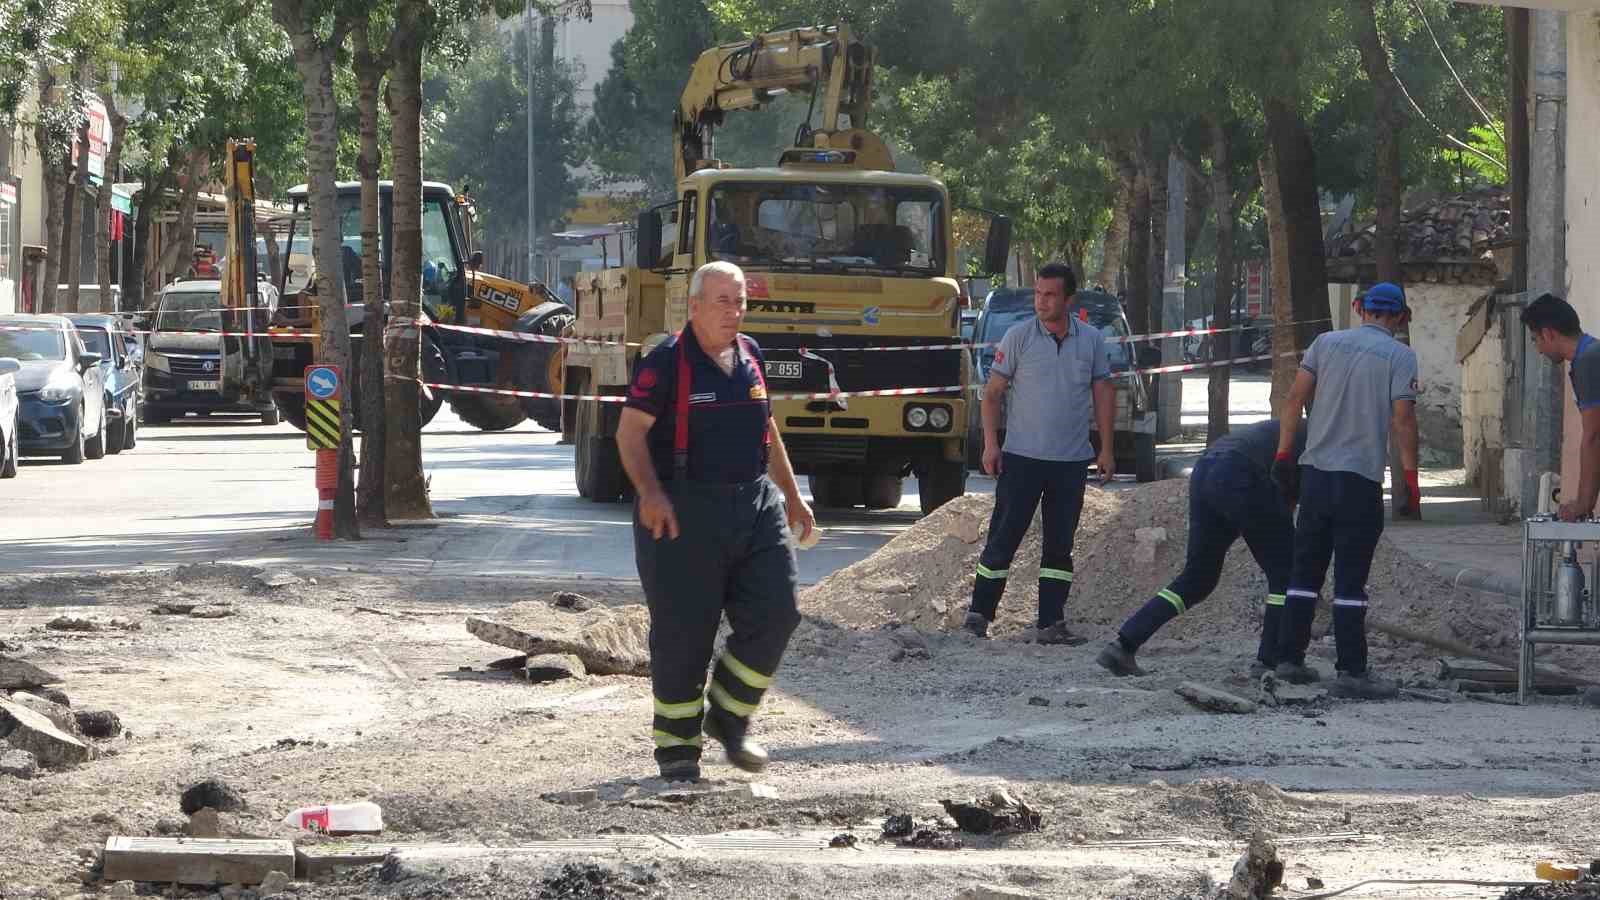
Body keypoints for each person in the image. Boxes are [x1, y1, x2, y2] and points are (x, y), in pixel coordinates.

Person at [615, 260, 816, 783]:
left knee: (780, 611)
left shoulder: (750, 355)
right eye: (724, 301)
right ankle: (678, 751)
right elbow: (629, 434)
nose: (735, 311)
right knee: (684, 635)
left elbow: (766, 429)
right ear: (695, 305)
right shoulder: (664, 363)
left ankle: (728, 715)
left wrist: (793, 498)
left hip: (754, 504)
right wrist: (651, 493)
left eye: (741, 300)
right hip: (682, 513)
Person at [1272, 281, 1420, 700]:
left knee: (1304, 574)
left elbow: (1294, 399)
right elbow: (1403, 421)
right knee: (1351, 580)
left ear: (1361, 309)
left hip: (1315, 474)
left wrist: (1284, 455)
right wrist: (1410, 481)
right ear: (1401, 317)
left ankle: (1289, 659)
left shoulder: (1324, 343)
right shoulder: (1401, 356)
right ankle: (1351, 671)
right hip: (1359, 480)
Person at [961, 262, 1116, 644]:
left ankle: (1051, 623)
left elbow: (1103, 393)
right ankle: (979, 616)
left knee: (1060, 547)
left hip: (1071, 462)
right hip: (1021, 459)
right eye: (1037, 293)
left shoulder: (1092, 340)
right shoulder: (1018, 337)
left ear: (1068, 299)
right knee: (1003, 538)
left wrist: (1107, 449)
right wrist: (991, 444)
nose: (1041, 302)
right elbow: (993, 394)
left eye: (1049, 295)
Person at [1097, 418, 1307, 677]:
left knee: (1199, 578)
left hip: (1207, 468)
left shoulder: (1298, 428)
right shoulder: (1322, 441)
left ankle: (1124, 644)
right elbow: (1297, 498)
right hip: (1242, 473)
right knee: (1285, 575)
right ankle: (1272, 661)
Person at [1522, 293, 1600, 522]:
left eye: (1536, 339)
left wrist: (1583, 503)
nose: (1538, 350)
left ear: (1549, 333)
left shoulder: (1588, 361)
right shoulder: (1588, 356)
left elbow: (1594, 436)